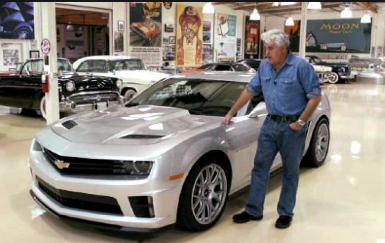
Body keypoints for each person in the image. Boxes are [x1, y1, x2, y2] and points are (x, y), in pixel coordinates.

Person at [222, 29, 322, 229]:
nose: (266, 53)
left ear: (283, 48)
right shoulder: (264, 68)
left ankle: (285, 212)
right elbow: (250, 90)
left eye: (270, 48)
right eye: (265, 48)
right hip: (270, 124)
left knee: (290, 171)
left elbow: (315, 96)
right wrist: (231, 112)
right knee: (260, 168)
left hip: (292, 127)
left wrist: (300, 122)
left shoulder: (301, 67)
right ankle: (253, 210)